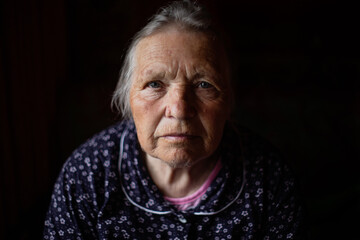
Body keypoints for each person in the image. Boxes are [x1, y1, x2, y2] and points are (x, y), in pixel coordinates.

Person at [43, 1, 304, 239]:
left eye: (203, 84)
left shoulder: (271, 179)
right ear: (127, 99)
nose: (179, 109)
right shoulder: (85, 176)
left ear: (228, 101)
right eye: (155, 84)